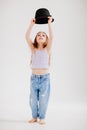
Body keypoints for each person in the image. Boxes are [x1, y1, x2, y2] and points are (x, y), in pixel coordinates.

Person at [25, 17, 53, 125]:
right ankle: (34, 116)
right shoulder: (33, 49)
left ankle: (42, 117)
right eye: (38, 35)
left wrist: (49, 23)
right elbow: (27, 37)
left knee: (43, 99)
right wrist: (31, 24)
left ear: (47, 39)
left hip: (45, 78)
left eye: (43, 35)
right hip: (34, 78)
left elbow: (52, 37)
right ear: (36, 38)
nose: (41, 36)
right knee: (33, 99)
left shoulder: (47, 49)